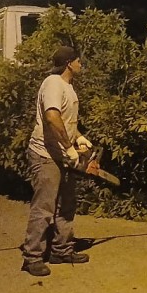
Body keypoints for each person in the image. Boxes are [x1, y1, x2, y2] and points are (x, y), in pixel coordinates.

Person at [21, 45, 92, 277]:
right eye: (79, 61)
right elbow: (52, 117)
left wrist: (78, 136)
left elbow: (66, 120)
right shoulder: (53, 83)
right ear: (70, 63)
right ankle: (32, 256)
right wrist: (70, 148)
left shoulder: (68, 87)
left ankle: (61, 249)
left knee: (67, 204)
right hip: (46, 154)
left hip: (61, 154)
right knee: (44, 207)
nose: (82, 64)